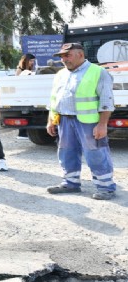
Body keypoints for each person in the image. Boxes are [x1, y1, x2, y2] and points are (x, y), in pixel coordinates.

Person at [46, 43, 116, 200]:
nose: (64, 59)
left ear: (80, 55)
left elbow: (107, 101)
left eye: (67, 55)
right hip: (64, 120)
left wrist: (102, 124)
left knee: (96, 153)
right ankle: (70, 183)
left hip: (89, 122)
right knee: (66, 152)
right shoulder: (60, 74)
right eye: (62, 56)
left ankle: (106, 187)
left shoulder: (98, 72)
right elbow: (54, 99)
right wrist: (51, 120)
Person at [15, 53, 36, 140]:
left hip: (28, 95)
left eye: (33, 61)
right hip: (23, 95)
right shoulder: (20, 70)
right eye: (31, 61)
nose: (32, 63)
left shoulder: (29, 69)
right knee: (24, 114)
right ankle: (22, 133)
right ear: (26, 60)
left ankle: (25, 133)